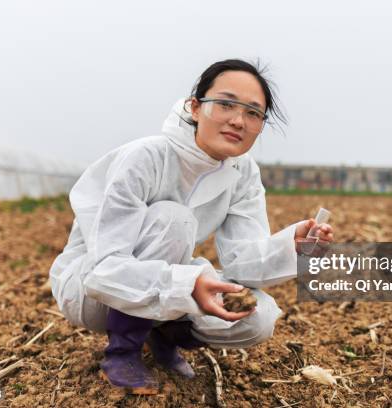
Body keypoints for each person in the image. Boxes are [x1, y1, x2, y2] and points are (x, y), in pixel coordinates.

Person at [49, 59, 334, 395]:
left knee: (258, 317)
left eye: (253, 113)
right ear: (196, 107)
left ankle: (162, 335)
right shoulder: (147, 158)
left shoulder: (242, 173)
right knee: (175, 220)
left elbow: (243, 260)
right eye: (226, 104)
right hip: (91, 289)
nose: (238, 120)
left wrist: (291, 246)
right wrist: (187, 284)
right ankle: (122, 352)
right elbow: (103, 269)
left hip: (164, 282)